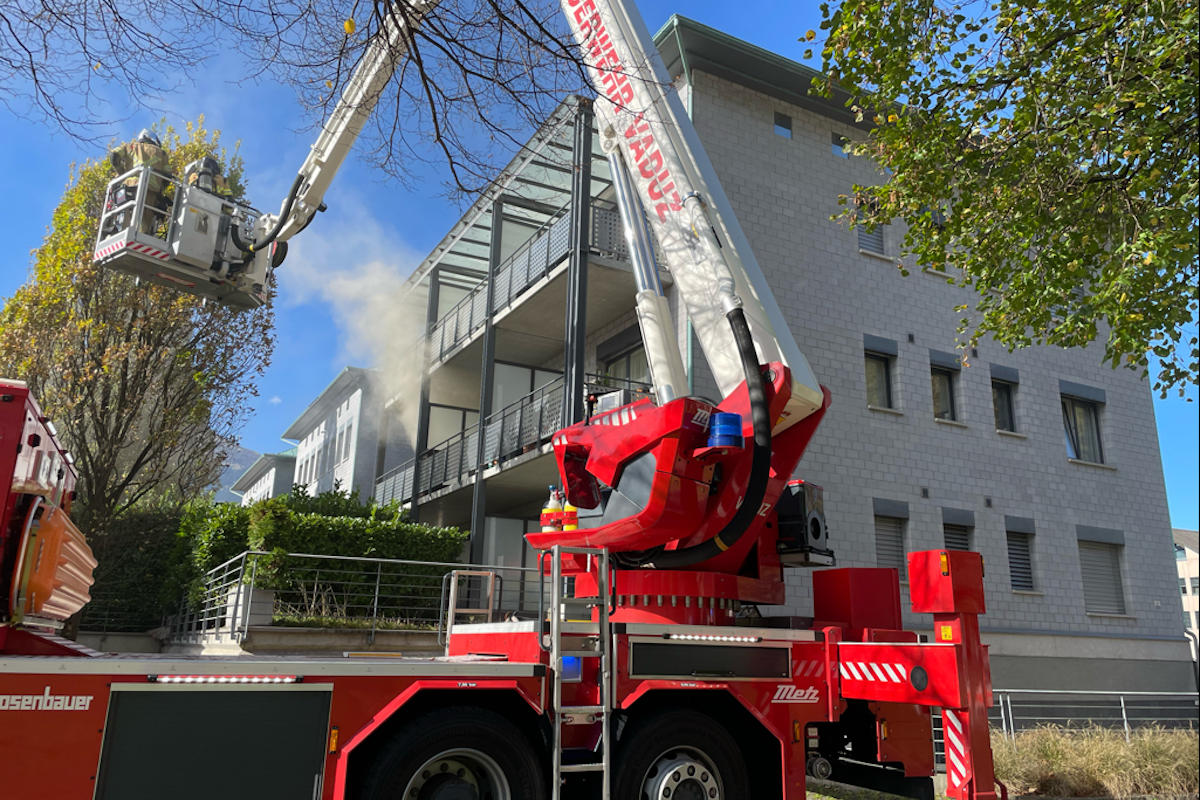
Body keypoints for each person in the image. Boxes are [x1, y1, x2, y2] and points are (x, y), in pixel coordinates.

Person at [106, 129, 171, 236]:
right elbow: (168, 176)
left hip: (130, 189)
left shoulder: (130, 146)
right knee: (144, 229)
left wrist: (122, 174)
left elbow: (114, 156)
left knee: (124, 219)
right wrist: (161, 188)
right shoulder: (162, 153)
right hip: (151, 194)